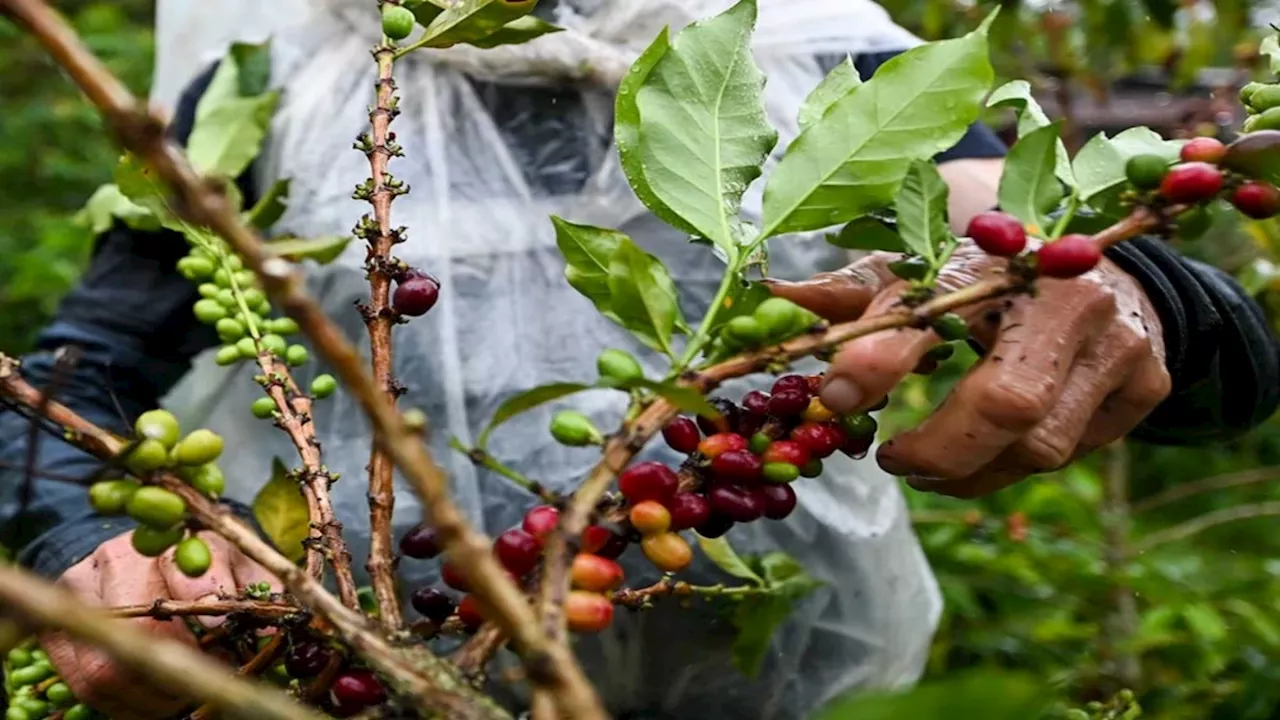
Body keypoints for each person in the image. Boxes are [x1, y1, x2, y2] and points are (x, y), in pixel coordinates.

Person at [2, 0, 1277, 718]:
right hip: (361, 662)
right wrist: (80, 550)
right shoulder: (274, 90)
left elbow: (1047, 240)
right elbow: (77, 370)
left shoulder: (799, 49)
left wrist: (1128, 284)